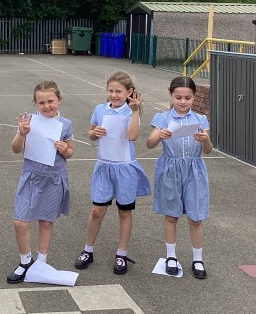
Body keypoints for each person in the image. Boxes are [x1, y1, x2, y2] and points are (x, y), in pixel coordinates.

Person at [74, 71, 150, 275]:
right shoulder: (100, 109)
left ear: (129, 92)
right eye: (111, 91)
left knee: (124, 212)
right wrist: (94, 133)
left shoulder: (131, 111)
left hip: (125, 168)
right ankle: (88, 250)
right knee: (97, 210)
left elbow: (132, 136)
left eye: (119, 91)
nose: (114, 95)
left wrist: (135, 111)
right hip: (104, 167)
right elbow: (91, 133)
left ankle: (121, 253)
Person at [7, 81, 74, 284]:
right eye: (41, 102)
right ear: (35, 103)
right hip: (31, 176)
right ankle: (25, 261)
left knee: (46, 221)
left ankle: (41, 262)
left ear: (59, 99)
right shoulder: (29, 122)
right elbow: (16, 149)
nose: (46, 106)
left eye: (50, 101)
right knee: (20, 221)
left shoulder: (65, 124)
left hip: (53, 178)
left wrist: (65, 149)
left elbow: (70, 152)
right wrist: (22, 133)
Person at [146, 76, 212, 279]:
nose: (183, 102)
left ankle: (198, 259)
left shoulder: (200, 119)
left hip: (194, 170)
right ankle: (171, 256)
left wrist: (205, 139)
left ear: (194, 97)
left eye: (188, 98)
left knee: (196, 217)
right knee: (171, 215)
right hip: (170, 169)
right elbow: (150, 143)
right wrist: (160, 135)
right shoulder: (162, 118)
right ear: (171, 96)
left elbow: (208, 150)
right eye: (178, 97)